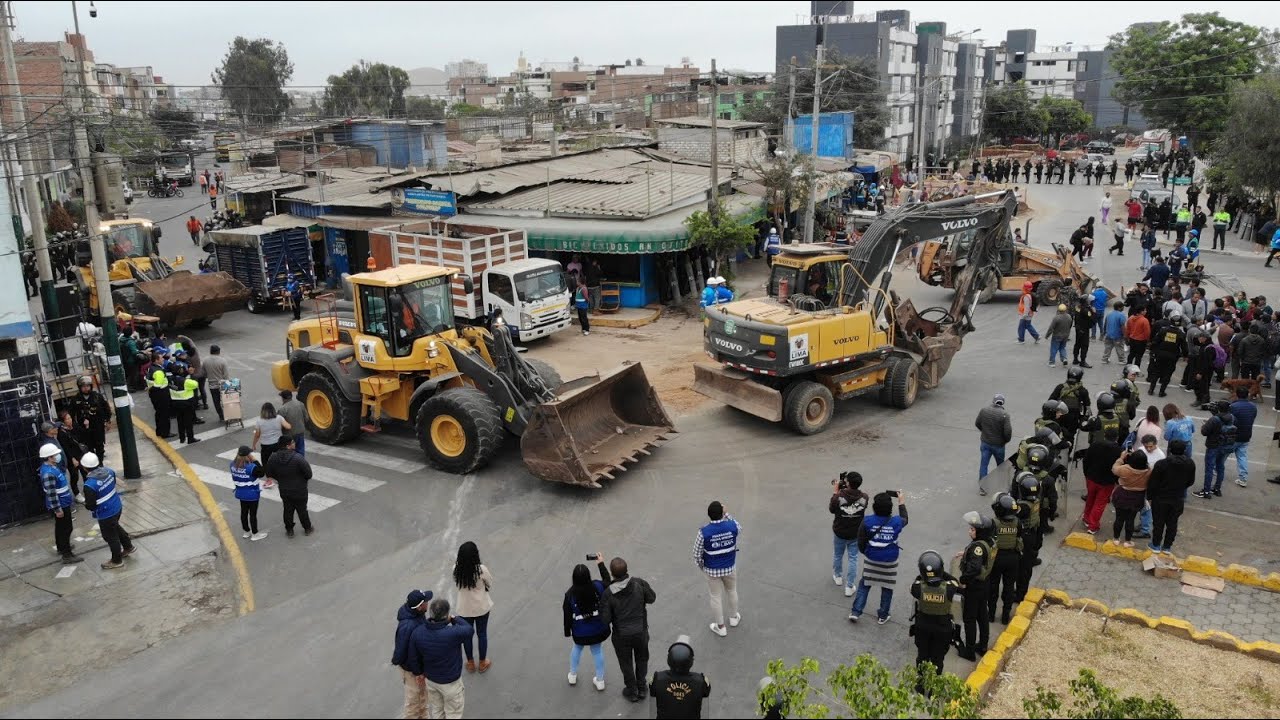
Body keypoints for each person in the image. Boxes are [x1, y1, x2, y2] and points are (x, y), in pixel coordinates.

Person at [596, 553, 657, 703]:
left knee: (626, 663)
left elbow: (605, 619)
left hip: (621, 635)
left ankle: (632, 690)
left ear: (612, 574)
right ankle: (642, 687)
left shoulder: (608, 593)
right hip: (641, 631)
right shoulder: (638, 583)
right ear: (626, 570)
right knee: (642, 659)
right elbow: (652, 598)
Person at [407, 599, 472, 719]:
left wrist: (418, 673)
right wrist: (454, 618)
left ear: (431, 613)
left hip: (431, 680)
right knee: (453, 713)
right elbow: (469, 629)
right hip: (451, 683)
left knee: (437, 710)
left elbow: (413, 657)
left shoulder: (418, 633)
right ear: (446, 615)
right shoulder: (453, 633)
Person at [851, 491, 907, 624]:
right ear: (890, 508)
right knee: (887, 587)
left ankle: (856, 611)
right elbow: (905, 517)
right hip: (890, 562)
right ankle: (883, 615)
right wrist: (901, 501)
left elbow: (860, 541)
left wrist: (867, 552)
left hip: (872, 559)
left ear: (875, 507)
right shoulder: (897, 521)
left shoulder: (867, 521)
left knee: (864, 584)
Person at [909, 550, 960, 688]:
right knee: (938, 659)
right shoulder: (949, 588)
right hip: (942, 629)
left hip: (923, 627)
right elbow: (955, 581)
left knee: (922, 657)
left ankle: (920, 685)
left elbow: (918, 580)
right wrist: (939, 573)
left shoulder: (918, 587)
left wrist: (927, 573)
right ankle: (933, 687)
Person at [79, 452, 136, 569]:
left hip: (105, 513)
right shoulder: (109, 471)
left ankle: (116, 560)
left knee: (111, 537)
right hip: (116, 506)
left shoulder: (89, 485)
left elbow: (90, 505)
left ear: (84, 468)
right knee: (115, 526)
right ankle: (128, 546)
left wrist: (86, 504)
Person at [694, 500, 741, 637]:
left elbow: (696, 554)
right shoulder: (732, 526)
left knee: (715, 597)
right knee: (732, 590)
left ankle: (720, 627)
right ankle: (733, 618)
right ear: (722, 513)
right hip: (730, 567)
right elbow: (739, 527)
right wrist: (727, 514)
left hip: (712, 570)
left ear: (709, 515)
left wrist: (703, 567)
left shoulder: (703, 532)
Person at [563, 563, 610, 690]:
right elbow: (608, 581)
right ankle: (600, 680)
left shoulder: (570, 595)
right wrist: (601, 564)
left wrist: (568, 631)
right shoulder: (598, 586)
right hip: (598, 629)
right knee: (597, 651)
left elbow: (567, 616)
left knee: (577, 649)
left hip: (580, 632)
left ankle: (572, 675)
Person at [956, 512, 996, 660]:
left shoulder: (977, 548)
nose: (970, 531)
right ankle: (983, 646)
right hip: (985, 585)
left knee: (970, 619)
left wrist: (963, 580)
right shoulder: (990, 541)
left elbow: (975, 568)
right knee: (982, 615)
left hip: (974, 587)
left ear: (980, 531)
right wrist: (966, 552)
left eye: (973, 530)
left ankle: (970, 651)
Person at [1147, 440, 1196, 553]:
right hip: (1177, 498)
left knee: (1158, 522)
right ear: (1184, 451)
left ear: (1170, 450)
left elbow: (1153, 483)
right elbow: (1190, 481)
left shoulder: (1161, 464)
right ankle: (1167, 546)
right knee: (1172, 523)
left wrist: (1149, 497)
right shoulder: (1190, 463)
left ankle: (1155, 545)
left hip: (1160, 498)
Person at [453, 541, 494, 674]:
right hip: (481, 607)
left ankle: (470, 663)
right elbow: (489, 582)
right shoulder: (481, 569)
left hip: (464, 609)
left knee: (467, 636)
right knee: (482, 634)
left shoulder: (456, 569)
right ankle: (482, 663)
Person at [393, 589, 432, 720]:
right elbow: (407, 654)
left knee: (423, 698)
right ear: (420, 606)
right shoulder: (408, 626)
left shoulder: (417, 615)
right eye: (426, 601)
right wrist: (418, 673)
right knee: (413, 704)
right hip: (412, 670)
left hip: (418, 668)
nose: (428, 603)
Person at [1077, 427, 1123, 534]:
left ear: (1105, 435)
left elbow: (1086, 460)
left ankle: (1086, 518)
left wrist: (1087, 474)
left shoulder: (1095, 445)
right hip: (1107, 482)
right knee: (1100, 504)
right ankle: (1093, 526)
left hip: (1091, 478)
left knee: (1090, 499)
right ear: (1117, 438)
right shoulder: (1118, 450)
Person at [830, 470, 870, 593]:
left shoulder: (839, 496)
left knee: (838, 555)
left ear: (847, 483)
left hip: (840, 531)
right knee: (853, 558)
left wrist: (836, 491)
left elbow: (832, 509)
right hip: (855, 533)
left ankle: (838, 576)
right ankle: (849, 586)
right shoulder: (864, 497)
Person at [651, 636, 710, 719]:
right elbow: (706, 693)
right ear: (691, 662)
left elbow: (652, 693)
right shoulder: (700, 681)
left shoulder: (658, 679)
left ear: (669, 660)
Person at [265, 435, 313, 537]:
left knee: (287, 509)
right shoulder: (298, 458)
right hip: (300, 489)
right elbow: (309, 474)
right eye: (292, 442)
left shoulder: (273, 457)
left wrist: (280, 479)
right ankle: (307, 528)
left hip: (284, 489)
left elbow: (269, 473)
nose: (294, 444)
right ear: (288, 446)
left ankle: (290, 531)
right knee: (302, 510)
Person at [986, 492, 1022, 625]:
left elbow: (988, 540)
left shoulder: (993, 523)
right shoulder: (1017, 522)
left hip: (997, 558)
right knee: (1008, 587)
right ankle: (1005, 616)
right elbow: (1019, 536)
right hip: (1013, 558)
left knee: (993, 586)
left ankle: (991, 615)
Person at [1193, 400, 1237, 499]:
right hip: (1225, 445)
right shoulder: (1232, 417)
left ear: (1218, 408)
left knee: (1209, 469)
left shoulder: (1214, 419)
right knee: (1220, 467)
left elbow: (1204, 432)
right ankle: (1217, 489)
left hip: (1213, 446)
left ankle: (1206, 491)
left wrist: (1205, 424)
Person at [1110, 450, 1151, 547]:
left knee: (1119, 518)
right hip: (1137, 498)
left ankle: (1116, 538)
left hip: (1122, 495)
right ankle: (1127, 541)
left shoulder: (1125, 469)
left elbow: (1114, 468)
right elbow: (1149, 467)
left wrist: (1121, 458)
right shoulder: (1148, 472)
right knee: (1131, 519)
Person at [228, 445, 268, 541]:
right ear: (247, 455)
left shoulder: (232, 465)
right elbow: (262, 473)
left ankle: (246, 531)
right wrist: (255, 460)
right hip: (252, 494)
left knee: (244, 512)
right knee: (253, 514)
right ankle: (255, 534)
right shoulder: (251, 467)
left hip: (240, 493)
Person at [974, 394, 1012, 494]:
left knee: (984, 464)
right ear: (1002, 403)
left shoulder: (984, 410)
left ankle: (983, 488)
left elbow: (977, 423)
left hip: (985, 443)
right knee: (1000, 465)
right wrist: (1005, 440)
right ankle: (1002, 487)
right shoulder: (1005, 415)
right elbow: (1007, 432)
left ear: (993, 401)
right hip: (999, 445)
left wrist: (984, 432)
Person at [69, 375, 111, 465]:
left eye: (88, 386)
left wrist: (107, 421)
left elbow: (106, 409)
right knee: (88, 448)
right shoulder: (75, 399)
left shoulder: (97, 397)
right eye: (83, 387)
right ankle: (93, 464)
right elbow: (71, 414)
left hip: (97, 427)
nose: (86, 388)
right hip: (84, 429)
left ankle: (100, 464)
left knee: (100, 447)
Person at [1147, 311, 1187, 397]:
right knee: (1167, 374)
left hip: (1160, 355)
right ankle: (1162, 391)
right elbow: (1184, 347)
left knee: (1156, 372)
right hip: (1172, 357)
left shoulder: (1163, 330)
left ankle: (1151, 389)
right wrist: (1185, 356)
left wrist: (1153, 351)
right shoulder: (1181, 334)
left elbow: (1155, 341)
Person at [1227, 386, 1257, 488]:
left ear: (1237, 394)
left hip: (1234, 436)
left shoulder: (1233, 406)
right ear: (1247, 395)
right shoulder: (1253, 406)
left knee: (1223, 454)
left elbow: (1228, 420)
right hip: (1246, 435)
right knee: (1242, 457)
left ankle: (1216, 471)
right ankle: (1243, 478)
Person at [252, 402, 292, 467]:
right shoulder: (279, 418)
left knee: (266, 462)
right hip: (278, 443)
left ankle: (269, 475)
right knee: (279, 461)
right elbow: (288, 427)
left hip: (265, 445)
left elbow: (257, 435)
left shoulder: (259, 421)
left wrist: (254, 445)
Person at [169, 363, 200, 444]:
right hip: (186, 403)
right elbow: (195, 384)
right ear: (179, 370)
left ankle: (182, 438)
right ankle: (190, 438)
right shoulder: (185, 381)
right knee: (188, 422)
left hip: (176, 403)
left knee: (180, 421)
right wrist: (191, 374)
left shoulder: (170, 379)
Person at [147, 350, 172, 438]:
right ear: (156, 360)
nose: (163, 359)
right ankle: (165, 433)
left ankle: (159, 431)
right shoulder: (158, 372)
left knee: (159, 414)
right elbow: (157, 386)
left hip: (155, 396)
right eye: (161, 358)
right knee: (164, 414)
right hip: (161, 395)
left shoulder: (151, 368)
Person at [276, 390, 307, 456]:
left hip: (289, 434)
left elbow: (279, 424)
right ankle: (301, 463)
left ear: (283, 398)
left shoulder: (282, 409)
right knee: (301, 451)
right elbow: (306, 418)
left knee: (290, 453)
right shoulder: (300, 404)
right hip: (300, 431)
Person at [204, 345, 229, 422]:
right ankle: (229, 414)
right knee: (226, 401)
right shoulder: (222, 361)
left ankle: (221, 416)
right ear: (218, 352)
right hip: (222, 384)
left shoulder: (205, 360)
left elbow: (204, 373)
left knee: (216, 401)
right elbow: (226, 375)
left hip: (212, 385)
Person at [1071, 298, 1095, 367]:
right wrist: (1093, 312)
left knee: (1077, 344)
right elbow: (1092, 319)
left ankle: (1075, 359)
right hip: (1084, 329)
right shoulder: (1086, 310)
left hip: (1078, 328)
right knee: (1084, 345)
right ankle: (1083, 361)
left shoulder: (1078, 308)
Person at [1047, 304, 1072, 368]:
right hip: (1066, 335)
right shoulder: (1069, 316)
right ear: (1065, 310)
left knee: (1054, 348)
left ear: (1059, 310)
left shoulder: (1056, 318)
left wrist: (1047, 335)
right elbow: (1070, 326)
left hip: (1057, 336)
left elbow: (1051, 328)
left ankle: (1052, 362)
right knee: (1062, 348)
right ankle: (1064, 359)